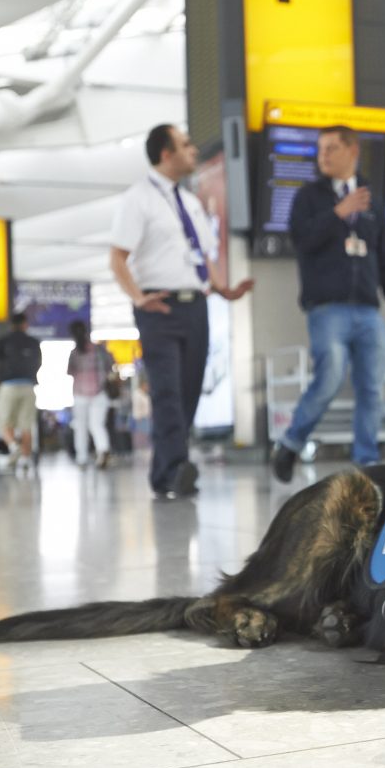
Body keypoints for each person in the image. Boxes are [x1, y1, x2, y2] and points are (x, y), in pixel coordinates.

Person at [109, 124, 253, 499]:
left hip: (196, 306)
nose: (194, 151)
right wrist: (138, 297)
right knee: (168, 392)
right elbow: (118, 257)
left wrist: (225, 289)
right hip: (159, 307)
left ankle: (165, 474)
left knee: (188, 393)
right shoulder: (137, 199)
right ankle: (176, 469)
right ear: (166, 154)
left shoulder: (190, 203)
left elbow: (205, 257)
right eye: (186, 145)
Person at [270, 125, 385, 482]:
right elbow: (301, 240)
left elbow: (384, 258)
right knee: (329, 377)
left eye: (331, 148)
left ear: (352, 151)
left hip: (367, 310)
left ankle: (367, 464)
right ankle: (290, 443)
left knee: (371, 387)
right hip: (326, 309)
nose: (324, 155)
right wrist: (337, 214)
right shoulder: (309, 198)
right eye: (321, 149)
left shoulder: (371, 202)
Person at [0, 312, 42, 474]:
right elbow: (39, 363)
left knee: (4, 421)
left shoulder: (3, 341)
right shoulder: (33, 342)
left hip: (8, 386)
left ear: (11, 324)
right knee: (26, 425)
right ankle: (25, 459)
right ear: (25, 324)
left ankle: (13, 446)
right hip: (28, 386)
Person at [66, 320, 116, 468]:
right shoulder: (99, 350)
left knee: (80, 427)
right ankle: (103, 450)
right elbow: (110, 368)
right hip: (99, 393)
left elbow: (69, 372)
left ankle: (82, 458)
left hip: (80, 394)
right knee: (97, 425)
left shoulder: (74, 353)